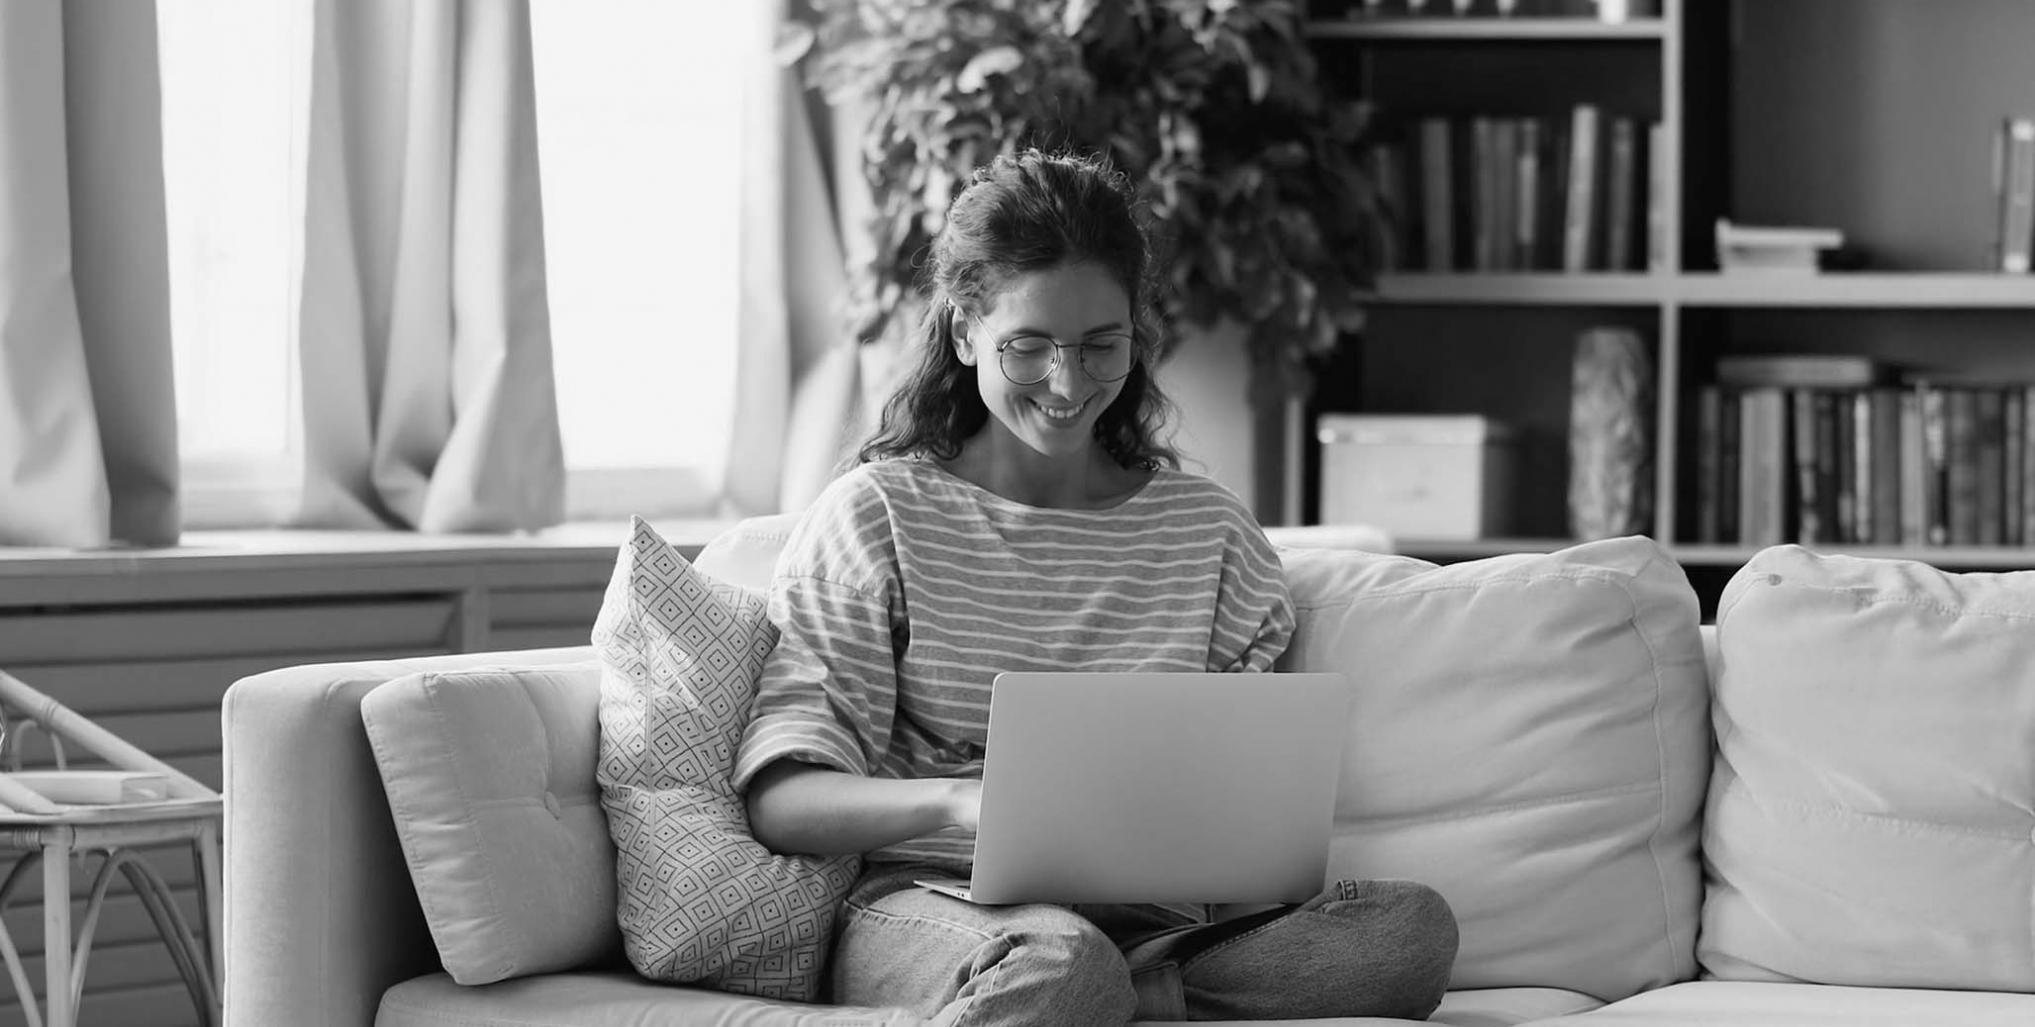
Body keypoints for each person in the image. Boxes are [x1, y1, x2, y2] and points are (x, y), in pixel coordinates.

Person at [733, 149, 1458, 1025]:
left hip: (1153, 927)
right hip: (939, 909)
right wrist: (964, 803)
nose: (1068, 384)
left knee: (1405, 928)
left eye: (1098, 345)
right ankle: (1097, 996)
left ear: (1136, 333)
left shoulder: (1209, 532)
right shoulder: (876, 515)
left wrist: (1239, 875)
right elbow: (782, 798)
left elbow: (1237, 803)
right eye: (1027, 347)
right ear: (963, 332)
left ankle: (1108, 1001)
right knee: (1057, 960)